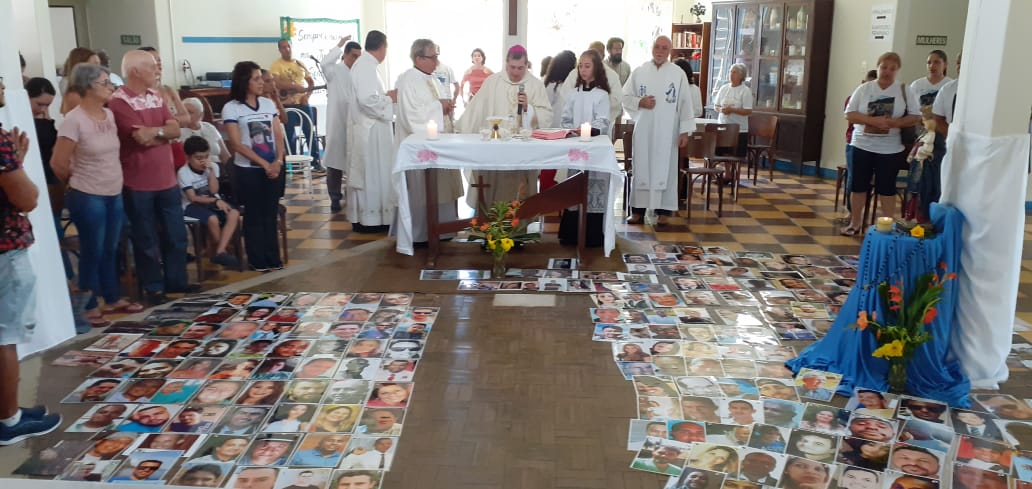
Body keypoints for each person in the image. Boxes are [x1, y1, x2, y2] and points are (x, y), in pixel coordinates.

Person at [51, 63, 143, 325]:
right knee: (93, 249)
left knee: (110, 248)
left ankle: (111, 298)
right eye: (106, 83)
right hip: (87, 194)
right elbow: (58, 163)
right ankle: (88, 304)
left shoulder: (109, 115)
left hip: (113, 191)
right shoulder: (74, 119)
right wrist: (77, 182)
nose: (111, 87)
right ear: (89, 86)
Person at [109, 49, 190, 303]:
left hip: (167, 179)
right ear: (135, 71)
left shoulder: (156, 96)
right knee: (146, 239)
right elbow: (140, 138)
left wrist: (158, 132)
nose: (157, 71)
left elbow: (176, 128)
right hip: (138, 182)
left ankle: (177, 281)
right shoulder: (118, 101)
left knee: (176, 234)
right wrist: (163, 132)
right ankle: (154, 287)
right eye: (152, 66)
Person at [458, 44, 552, 207]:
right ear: (506, 63)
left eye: (520, 68)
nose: (516, 72)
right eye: (512, 67)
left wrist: (529, 108)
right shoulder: (493, 82)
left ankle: (519, 230)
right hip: (495, 151)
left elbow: (547, 115)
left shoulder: (535, 85)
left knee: (520, 198)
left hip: (523, 152)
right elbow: (476, 109)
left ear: (526, 64)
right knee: (493, 197)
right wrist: (458, 128)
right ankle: (491, 229)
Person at [841, 52, 921, 236]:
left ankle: (886, 227)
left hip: (890, 148)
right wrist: (871, 121)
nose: (887, 72)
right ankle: (855, 224)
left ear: (898, 70)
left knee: (887, 188)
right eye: (884, 67)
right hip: (861, 145)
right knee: (858, 186)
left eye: (892, 69)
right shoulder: (864, 89)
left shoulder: (903, 89)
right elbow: (849, 113)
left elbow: (915, 116)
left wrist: (896, 123)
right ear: (878, 67)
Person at [395, 38, 464, 243]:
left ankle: (445, 229)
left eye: (437, 56)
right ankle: (423, 234)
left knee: (443, 187)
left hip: (439, 143)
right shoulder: (408, 80)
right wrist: (439, 107)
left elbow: (437, 104)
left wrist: (446, 107)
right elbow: (411, 116)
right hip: (420, 149)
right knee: (424, 192)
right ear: (419, 58)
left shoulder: (431, 77)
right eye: (433, 57)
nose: (437, 61)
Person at [622, 35, 694, 226]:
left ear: (669, 51)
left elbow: (686, 103)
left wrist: (684, 131)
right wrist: (640, 102)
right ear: (651, 48)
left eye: (664, 48)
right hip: (644, 129)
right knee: (641, 167)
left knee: (667, 169)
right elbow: (625, 96)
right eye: (657, 47)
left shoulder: (678, 74)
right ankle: (637, 211)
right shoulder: (639, 71)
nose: (660, 51)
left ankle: (664, 212)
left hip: (668, 132)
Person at [222, 61, 286, 272]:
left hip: (273, 168)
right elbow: (236, 143)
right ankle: (257, 259)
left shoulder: (267, 104)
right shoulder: (232, 108)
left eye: (261, 78)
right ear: (244, 81)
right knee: (254, 215)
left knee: (270, 214)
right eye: (256, 79)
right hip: (249, 171)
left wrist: (277, 160)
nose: (261, 83)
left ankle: (273, 257)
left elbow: (277, 134)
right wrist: (263, 163)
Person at [346, 30, 396, 233]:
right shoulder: (366, 66)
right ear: (382, 47)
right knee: (373, 174)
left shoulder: (366, 65)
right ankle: (371, 220)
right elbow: (367, 100)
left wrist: (384, 97)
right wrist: (389, 98)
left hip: (370, 128)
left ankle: (373, 218)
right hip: (371, 131)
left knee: (374, 174)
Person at [321, 37, 362, 212]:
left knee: (354, 159)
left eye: (359, 57)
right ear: (344, 55)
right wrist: (338, 44)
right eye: (353, 56)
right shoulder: (334, 71)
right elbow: (324, 62)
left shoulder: (359, 73)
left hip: (354, 121)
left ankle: (352, 194)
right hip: (337, 122)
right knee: (335, 161)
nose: (356, 60)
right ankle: (335, 197)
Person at [270, 39, 323, 172]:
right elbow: (275, 83)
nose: (286, 49)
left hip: (303, 104)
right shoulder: (276, 65)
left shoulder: (300, 63)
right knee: (290, 135)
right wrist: (293, 86)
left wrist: (307, 96)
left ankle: (315, 162)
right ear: (279, 50)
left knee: (309, 132)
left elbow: (310, 82)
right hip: (287, 105)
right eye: (283, 47)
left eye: (288, 46)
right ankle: (295, 164)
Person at [562, 42, 622, 137]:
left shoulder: (602, 94)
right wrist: (572, 131)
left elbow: (603, 121)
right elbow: (566, 118)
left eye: (587, 66)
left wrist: (589, 131)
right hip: (574, 139)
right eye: (580, 66)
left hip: (595, 139)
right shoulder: (573, 93)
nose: (583, 70)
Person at [139, 47, 191, 126]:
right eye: (154, 60)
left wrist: (168, 122)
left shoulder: (169, 90)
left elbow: (186, 118)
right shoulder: (138, 94)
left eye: (159, 60)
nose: (158, 64)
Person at [714, 63, 753, 158]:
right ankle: (726, 172)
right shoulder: (724, 88)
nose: (731, 74)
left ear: (741, 75)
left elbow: (748, 111)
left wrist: (732, 110)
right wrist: (721, 110)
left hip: (739, 130)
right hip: (723, 128)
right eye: (730, 72)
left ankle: (734, 172)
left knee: (735, 157)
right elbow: (716, 106)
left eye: (734, 72)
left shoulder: (745, 91)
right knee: (722, 156)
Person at [180, 98, 231, 166]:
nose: (187, 115)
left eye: (190, 112)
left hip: (218, 169)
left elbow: (225, 154)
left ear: (201, 114)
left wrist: (232, 172)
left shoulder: (209, 127)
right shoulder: (179, 132)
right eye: (184, 112)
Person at [59, 47, 100, 114]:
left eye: (99, 64)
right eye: (95, 64)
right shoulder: (70, 89)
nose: (100, 69)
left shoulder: (96, 84)